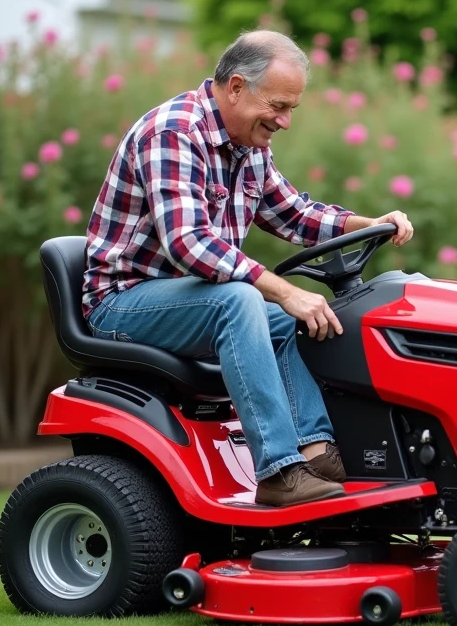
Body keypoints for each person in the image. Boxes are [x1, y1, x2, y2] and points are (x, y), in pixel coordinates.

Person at [81, 30, 414, 507]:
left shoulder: (248, 146)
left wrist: (370, 224)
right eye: (279, 106)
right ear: (236, 87)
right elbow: (189, 243)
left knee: (295, 319)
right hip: (122, 302)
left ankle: (316, 452)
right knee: (242, 301)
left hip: (188, 300)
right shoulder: (173, 133)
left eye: (292, 109)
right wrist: (284, 290)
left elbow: (295, 214)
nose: (285, 121)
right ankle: (278, 472)